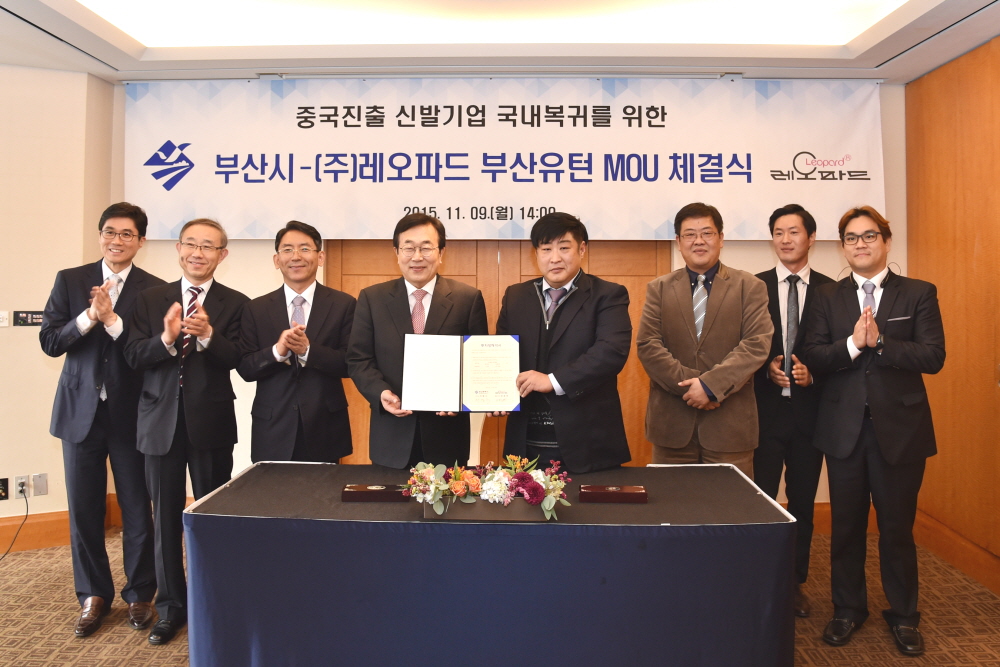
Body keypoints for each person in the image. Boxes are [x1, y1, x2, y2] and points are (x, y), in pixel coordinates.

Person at [801, 206, 945, 656]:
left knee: (897, 528)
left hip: (900, 432)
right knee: (845, 527)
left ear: (886, 241)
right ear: (842, 246)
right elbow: (814, 355)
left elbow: (933, 356)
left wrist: (880, 341)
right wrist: (852, 344)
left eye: (868, 236)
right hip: (843, 430)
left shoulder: (918, 292)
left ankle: (904, 615)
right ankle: (847, 609)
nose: (860, 244)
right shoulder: (826, 296)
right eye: (851, 238)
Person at [39, 202, 163, 637]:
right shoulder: (70, 280)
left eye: (127, 234)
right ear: (100, 236)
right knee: (84, 509)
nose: (117, 240)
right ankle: (92, 595)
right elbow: (50, 341)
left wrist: (112, 320)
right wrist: (89, 317)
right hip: (80, 414)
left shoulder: (154, 289)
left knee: (137, 509)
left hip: (132, 415)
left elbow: (150, 353)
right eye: (110, 232)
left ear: (141, 241)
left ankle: (140, 593)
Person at [124, 218, 249, 645]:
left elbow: (240, 360)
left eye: (208, 246)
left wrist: (209, 335)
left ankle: (213, 602)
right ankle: (170, 608)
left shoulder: (236, 303)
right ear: (178, 249)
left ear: (222, 255)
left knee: (211, 518)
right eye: (191, 244)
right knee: (165, 521)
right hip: (158, 422)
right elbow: (133, 355)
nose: (198, 252)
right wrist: (165, 338)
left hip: (211, 423)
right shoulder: (149, 299)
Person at [637, 202, 772, 478]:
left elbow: (756, 344)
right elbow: (648, 346)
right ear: (678, 242)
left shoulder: (750, 287)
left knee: (730, 505)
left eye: (707, 233)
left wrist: (710, 387)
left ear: (721, 238)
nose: (698, 241)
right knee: (672, 504)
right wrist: (694, 388)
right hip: (672, 430)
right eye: (690, 234)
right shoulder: (658, 289)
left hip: (730, 428)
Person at [347, 213, 488, 469]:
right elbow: (359, 359)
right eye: (409, 248)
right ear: (396, 252)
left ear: (441, 252)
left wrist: (460, 398)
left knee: (450, 497)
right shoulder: (372, 298)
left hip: (447, 436)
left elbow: (478, 364)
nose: (417, 257)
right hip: (391, 436)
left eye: (426, 248)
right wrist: (381, 393)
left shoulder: (467, 299)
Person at [496, 212, 632, 472]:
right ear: (536, 253)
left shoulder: (607, 295)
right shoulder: (516, 296)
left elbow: (611, 352)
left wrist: (553, 380)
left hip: (587, 441)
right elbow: (502, 354)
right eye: (546, 249)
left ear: (582, 249)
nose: (555, 258)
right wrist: (495, 394)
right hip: (525, 442)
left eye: (564, 248)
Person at [753, 204, 834, 618]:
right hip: (764, 414)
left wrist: (813, 374)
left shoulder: (832, 290)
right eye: (778, 232)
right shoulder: (753, 286)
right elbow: (739, 346)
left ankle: (794, 583)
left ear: (811, 237)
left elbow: (841, 353)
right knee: (761, 501)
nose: (786, 239)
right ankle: (761, 581)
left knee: (802, 503)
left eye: (794, 232)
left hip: (810, 416)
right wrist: (764, 369)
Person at [238, 221, 356, 463]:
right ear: (277, 260)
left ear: (320, 257)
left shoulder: (344, 304)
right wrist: (277, 352)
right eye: (287, 249)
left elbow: (351, 363)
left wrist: (308, 351)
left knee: (324, 489)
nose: (296, 256)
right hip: (272, 427)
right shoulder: (256, 308)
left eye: (304, 249)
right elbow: (246, 368)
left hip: (325, 426)